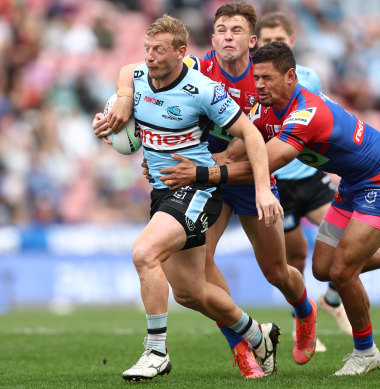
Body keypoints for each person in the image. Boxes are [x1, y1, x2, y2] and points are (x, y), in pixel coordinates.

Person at [159, 41, 380, 376]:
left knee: (342, 271)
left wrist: (200, 172)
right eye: (256, 78)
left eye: (267, 78)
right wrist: (179, 162)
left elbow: (264, 164)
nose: (258, 85)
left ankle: (366, 351)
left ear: (290, 76)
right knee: (322, 269)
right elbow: (234, 154)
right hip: (352, 184)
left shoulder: (306, 113)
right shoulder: (264, 110)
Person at [110, 2, 319, 378]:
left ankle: (304, 311)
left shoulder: (266, 78)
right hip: (204, 178)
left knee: (275, 271)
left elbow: (263, 135)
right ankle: (243, 347)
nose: (227, 36)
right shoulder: (198, 69)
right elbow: (138, 72)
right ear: (211, 37)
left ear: (251, 40)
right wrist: (134, 113)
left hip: (247, 175)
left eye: (235, 30)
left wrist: (262, 188)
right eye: (221, 29)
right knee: (197, 276)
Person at [256, 11, 352, 342]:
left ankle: (332, 298)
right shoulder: (256, 81)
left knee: (347, 239)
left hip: (310, 179)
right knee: (293, 260)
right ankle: (303, 318)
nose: (270, 44)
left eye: (277, 40)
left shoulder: (308, 78)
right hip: (277, 183)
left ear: (291, 43)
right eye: (265, 39)